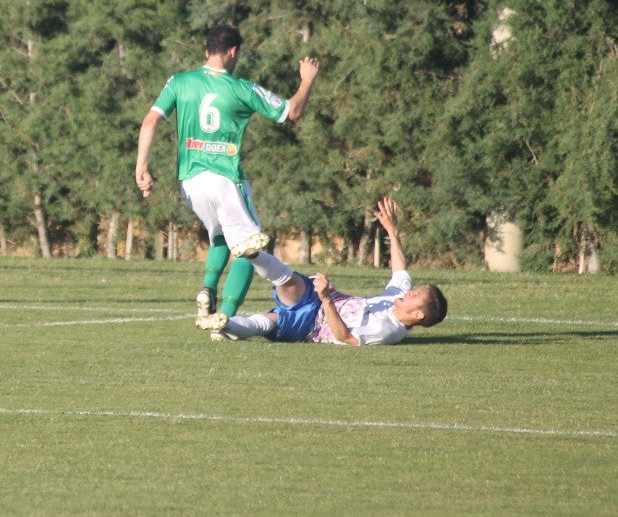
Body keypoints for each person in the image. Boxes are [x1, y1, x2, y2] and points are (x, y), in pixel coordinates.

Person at [134, 25, 319, 337]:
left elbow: (150, 120)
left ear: (207, 51)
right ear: (233, 52)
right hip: (224, 181)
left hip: (190, 184)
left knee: (219, 236)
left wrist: (142, 167)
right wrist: (307, 80)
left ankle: (207, 289)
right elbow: (292, 111)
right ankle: (224, 320)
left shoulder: (179, 82)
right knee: (250, 247)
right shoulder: (242, 89)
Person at [196, 196, 448, 345]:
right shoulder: (395, 299)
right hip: (320, 299)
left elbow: (346, 338)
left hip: (312, 325)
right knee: (287, 279)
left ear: (418, 315)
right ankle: (252, 254)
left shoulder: (388, 330)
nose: (411, 291)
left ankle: (225, 323)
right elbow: (401, 271)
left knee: (264, 323)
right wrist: (392, 232)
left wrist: (327, 299)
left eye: (416, 295)